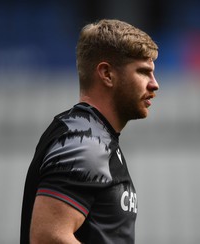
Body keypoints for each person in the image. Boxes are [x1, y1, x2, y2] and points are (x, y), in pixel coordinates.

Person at [20, 19, 159, 244]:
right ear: (107, 74)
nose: (155, 84)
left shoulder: (92, 135)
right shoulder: (84, 141)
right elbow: (47, 237)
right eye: (143, 72)